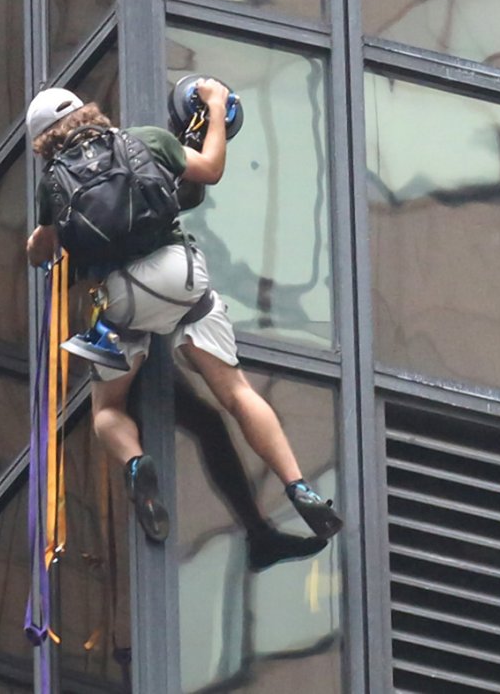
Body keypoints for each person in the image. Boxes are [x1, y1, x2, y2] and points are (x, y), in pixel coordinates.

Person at [24, 82, 343, 551]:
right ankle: (298, 485)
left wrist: (37, 241)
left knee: (108, 411)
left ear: (43, 141)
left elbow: (42, 250)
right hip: (180, 275)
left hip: (123, 299)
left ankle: (136, 464)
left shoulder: (51, 183)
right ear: (87, 113)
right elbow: (209, 170)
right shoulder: (145, 140)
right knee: (235, 393)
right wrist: (214, 108)